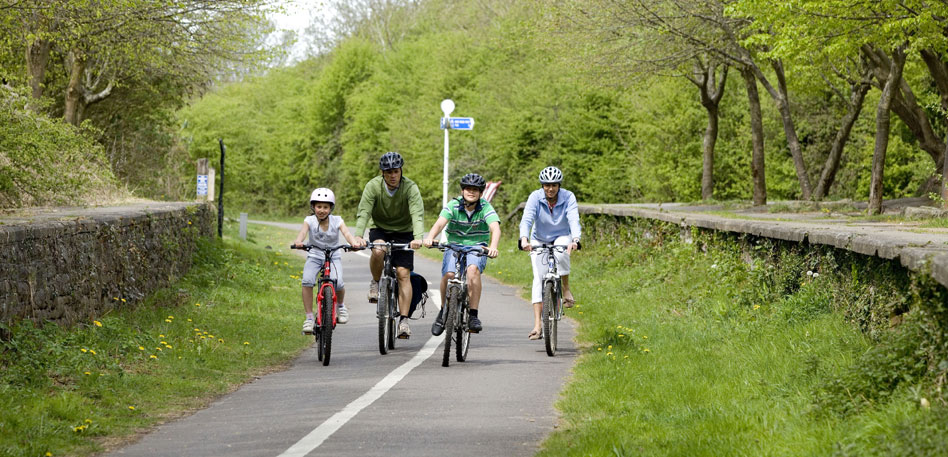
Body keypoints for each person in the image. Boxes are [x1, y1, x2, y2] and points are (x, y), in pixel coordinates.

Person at [353, 151, 426, 338]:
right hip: (380, 229)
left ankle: (403, 321)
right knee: (378, 250)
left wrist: (418, 237)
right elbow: (364, 212)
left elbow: (417, 213)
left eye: (396, 171)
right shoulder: (373, 187)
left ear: (401, 171)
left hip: (404, 232)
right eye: (388, 172)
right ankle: (376, 283)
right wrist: (358, 236)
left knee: (403, 274)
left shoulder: (410, 187)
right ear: (382, 173)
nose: (393, 176)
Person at [421, 173, 500, 335]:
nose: (471, 192)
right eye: (468, 189)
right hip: (454, 245)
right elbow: (439, 224)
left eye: (475, 190)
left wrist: (493, 246)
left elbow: (495, 228)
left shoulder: (485, 207)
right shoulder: (453, 205)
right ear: (462, 190)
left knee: (472, 271)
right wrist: (430, 238)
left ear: (480, 193)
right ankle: (443, 312)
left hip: (477, 247)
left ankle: (473, 315)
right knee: (449, 275)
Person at [518, 166, 582, 340]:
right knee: (539, 279)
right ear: (542, 185)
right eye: (547, 185)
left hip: (562, 235)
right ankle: (538, 325)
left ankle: (566, 288)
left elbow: (573, 218)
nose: (550, 189)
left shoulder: (568, 197)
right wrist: (524, 239)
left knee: (562, 253)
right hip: (539, 238)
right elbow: (527, 219)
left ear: (559, 185)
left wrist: (575, 239)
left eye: (554, 185)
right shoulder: (535, 197)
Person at [292, 188, 361, 334]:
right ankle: (309, 318)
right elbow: (303, 232)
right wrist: (299, 241)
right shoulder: (309, 220)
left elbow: (347, 233)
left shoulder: (337, 220)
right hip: (315, 255)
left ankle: (341, 307)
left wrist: (353, 242)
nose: (322, 210)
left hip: (333, 255)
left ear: (331, 208)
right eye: (318, 206)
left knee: (339, 282)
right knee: (307, 280)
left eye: (325, 207)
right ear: (313, 207)